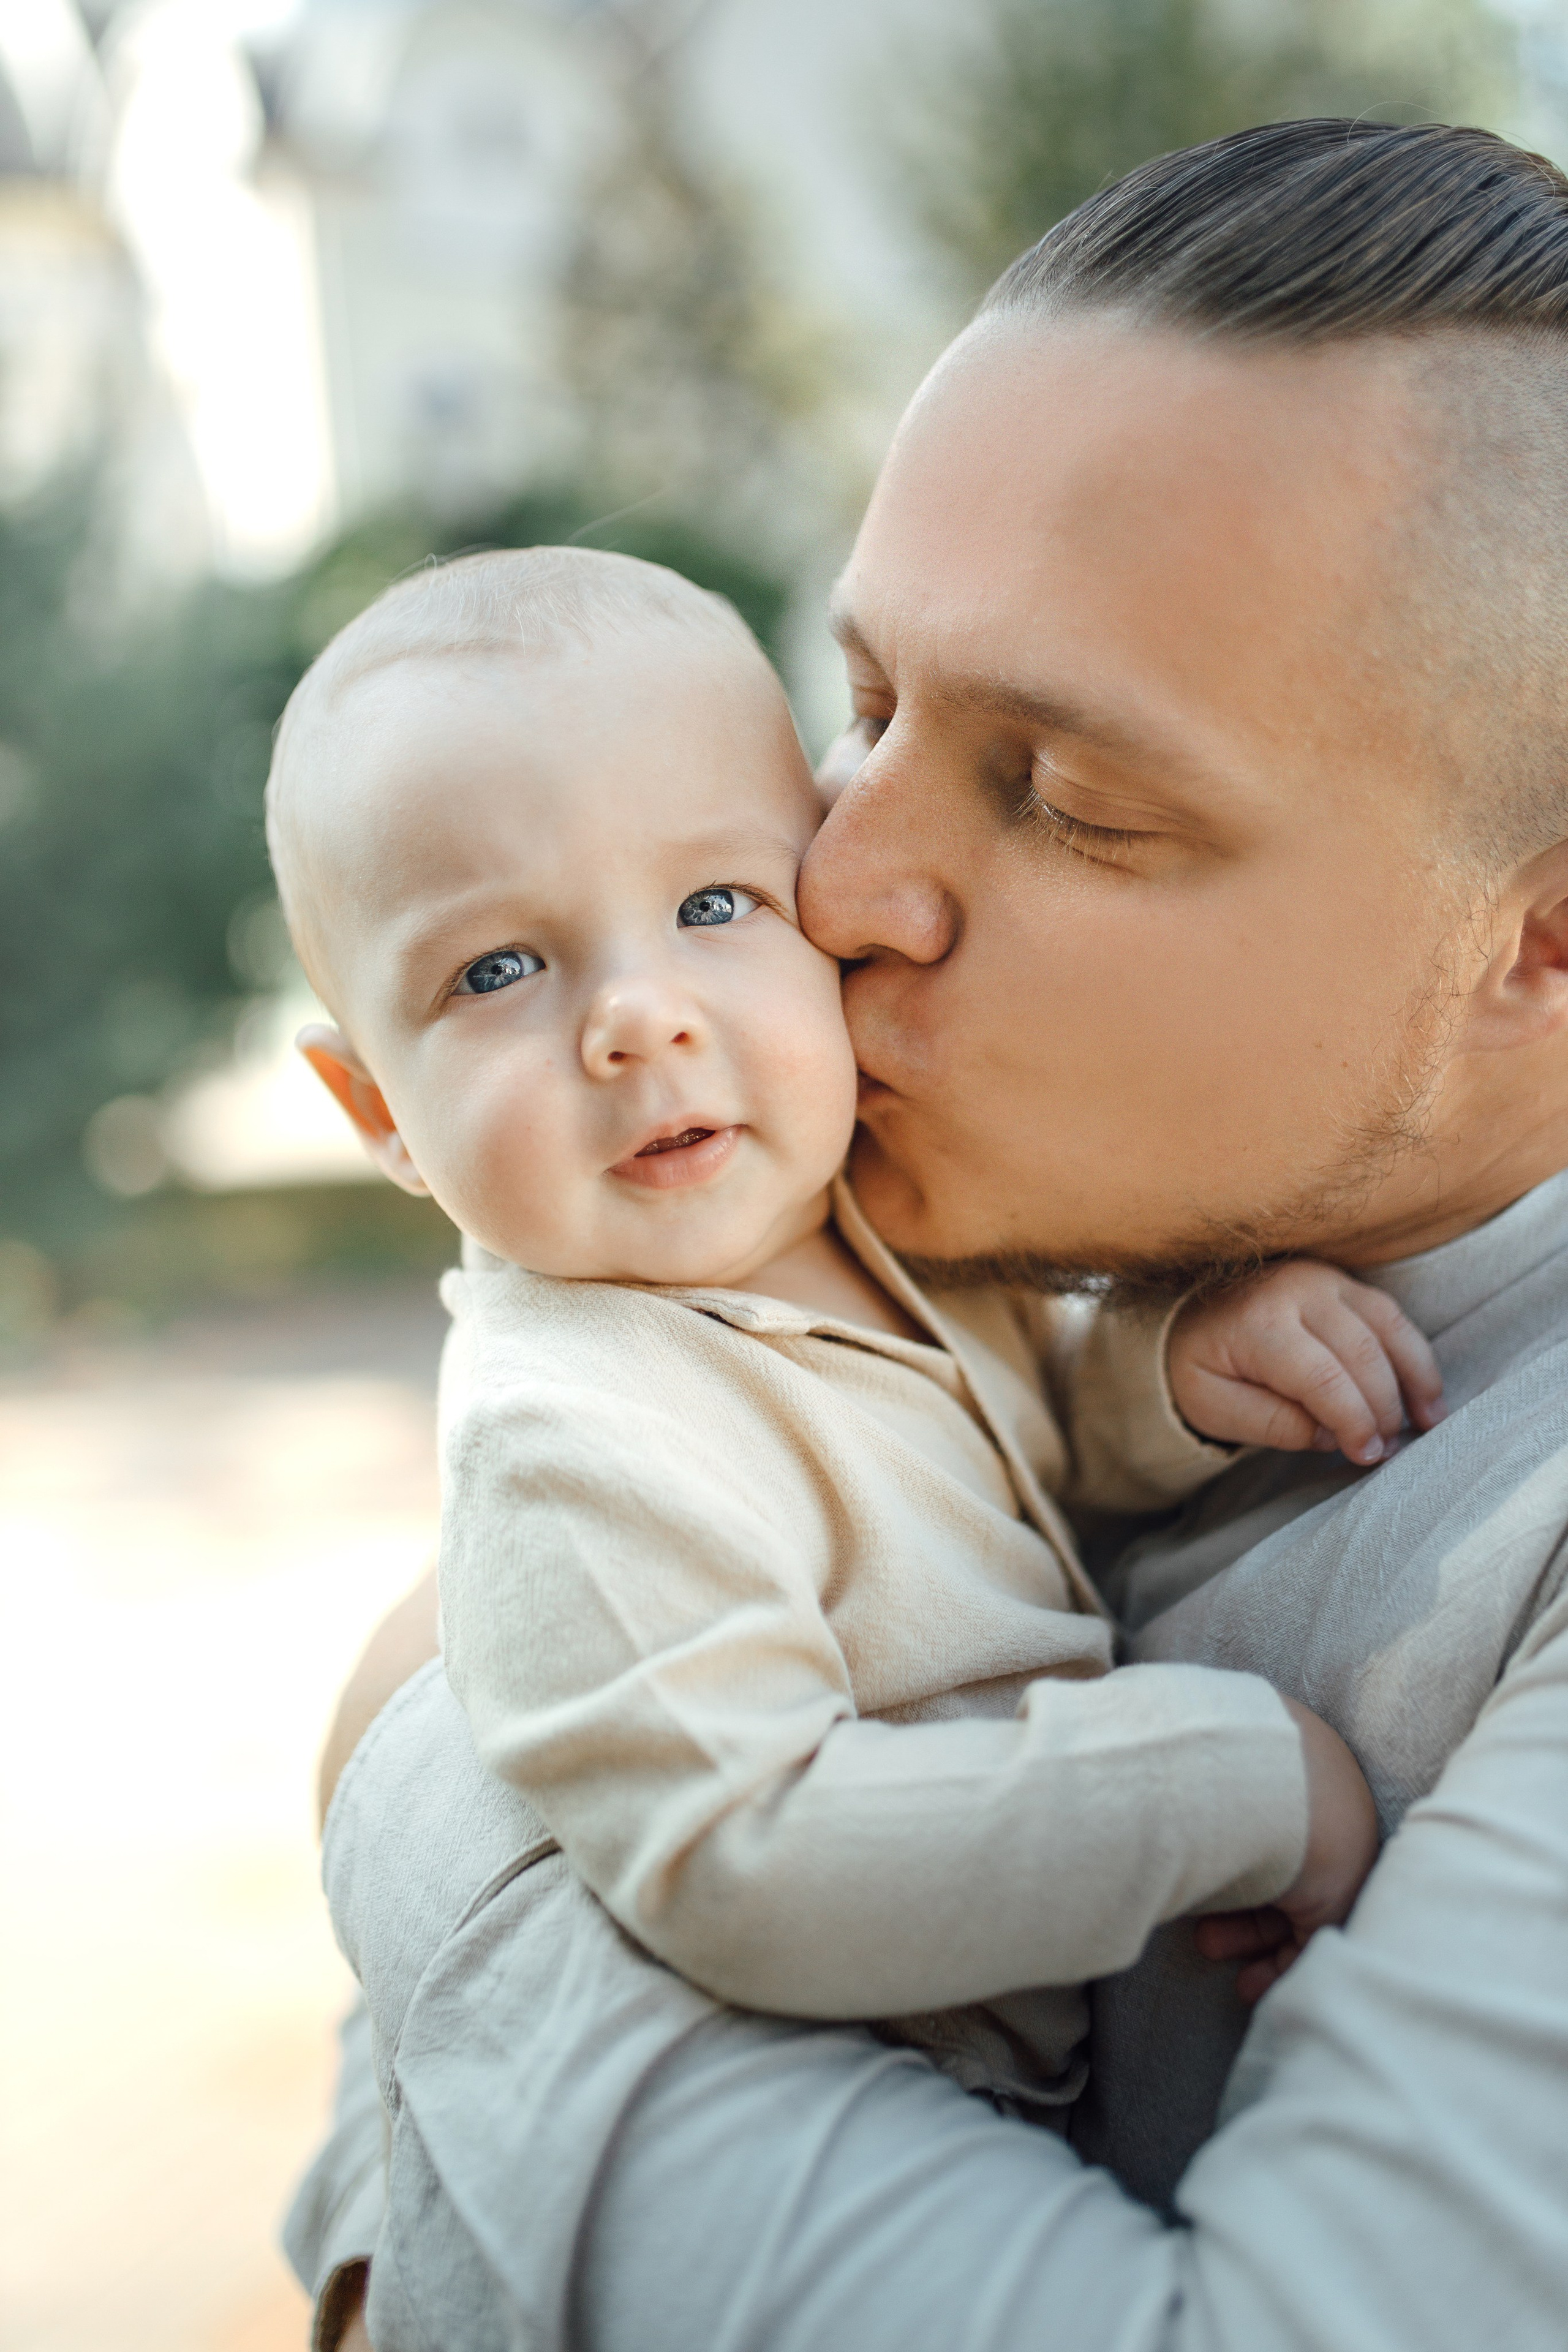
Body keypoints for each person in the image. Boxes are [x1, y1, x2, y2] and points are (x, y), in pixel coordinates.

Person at [288, 119, 1568, 2351]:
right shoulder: (893, 1299)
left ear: (1542, 936)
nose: (835, 888)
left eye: (1071, 799)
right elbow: (371, 2243)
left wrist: (434, 1783)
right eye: (861, 711)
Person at [266, 540, 1412, 2135]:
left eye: (714, 903)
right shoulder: (578, 1447)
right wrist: (1231, 1787)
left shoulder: (880, 1218)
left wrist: (1182, 1369)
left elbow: (1047, 1426)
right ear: (380, 1109)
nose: (638, 1016)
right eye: (499, 968)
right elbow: (748, 1860)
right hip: (848, 2132)